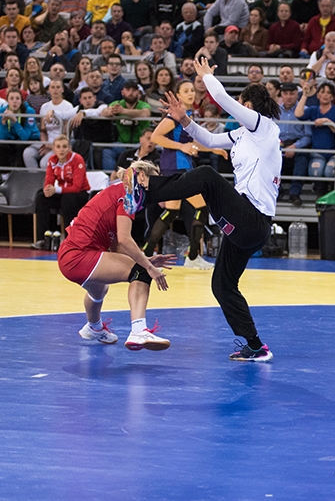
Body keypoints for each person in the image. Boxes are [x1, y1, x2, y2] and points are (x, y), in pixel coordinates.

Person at [144, 57, 282, 362]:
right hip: (244, 224)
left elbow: (221, 98)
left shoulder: (263, 127)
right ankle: (256, 345)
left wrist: (205, 76)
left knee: (206, 176)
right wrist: (183, 120)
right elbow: (206, 138)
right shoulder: (242, 135)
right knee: (222, 284)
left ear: (249, 105)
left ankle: (147, 192)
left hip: (253, 219)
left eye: (242, 105)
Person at [55, 159, 175, 350]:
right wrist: (148, 267)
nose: (153, 192)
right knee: (140, 272)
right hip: (80, 255)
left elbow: (116, 246)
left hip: (70, 256)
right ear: (142, 176)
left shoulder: (116, 191)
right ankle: (138, 330)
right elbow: (125, 240)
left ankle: (93, 328)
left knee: (99, 290)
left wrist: (146, 260)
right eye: (153, 184)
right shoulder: (128, 194)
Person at [146, 79, 226, 268]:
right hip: (176, 167)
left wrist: (212, 149)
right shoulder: (174, 116)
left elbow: (193, 144)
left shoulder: (188, 115)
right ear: (178, 95)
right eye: (186, 90)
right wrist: (182, 146)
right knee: (202, 207)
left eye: (192, 90)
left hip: (180, 166)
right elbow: (155, 137)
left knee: (172, 211)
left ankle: (148, 253)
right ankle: (192, 257)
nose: (191, 93)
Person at [32, 134, 89, 250]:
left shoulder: (77, 159)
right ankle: (42, 239)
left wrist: (56, 190)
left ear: (69, 148)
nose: (61, 150)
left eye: (64, 147)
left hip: (80, 194)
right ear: (54, 148)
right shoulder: (52, 160)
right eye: (58, 147)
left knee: (68, 200)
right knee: (41, 197)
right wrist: (47, 190)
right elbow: (49, 181)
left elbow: (76, 187)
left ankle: (69, 240)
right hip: (63, 193)